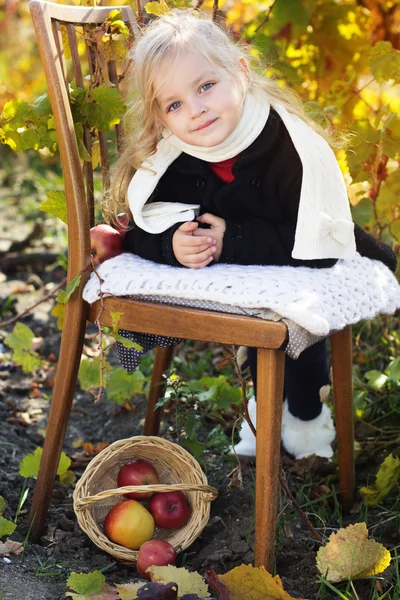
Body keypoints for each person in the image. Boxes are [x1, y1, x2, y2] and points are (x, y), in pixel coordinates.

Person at [105, 10, 396, 459]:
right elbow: (137, 232)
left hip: (306, 250)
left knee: (300, 313)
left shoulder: (286, 147)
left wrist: (233, 241)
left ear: (240, 72)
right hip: (246, 267)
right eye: (174, 104)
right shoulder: (175, 155)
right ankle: (264, 407)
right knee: (256, 312)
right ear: (161, 118)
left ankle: (306, 420)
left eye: (205, 86)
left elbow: (316, 246)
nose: (196, 109)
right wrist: (171, 245)